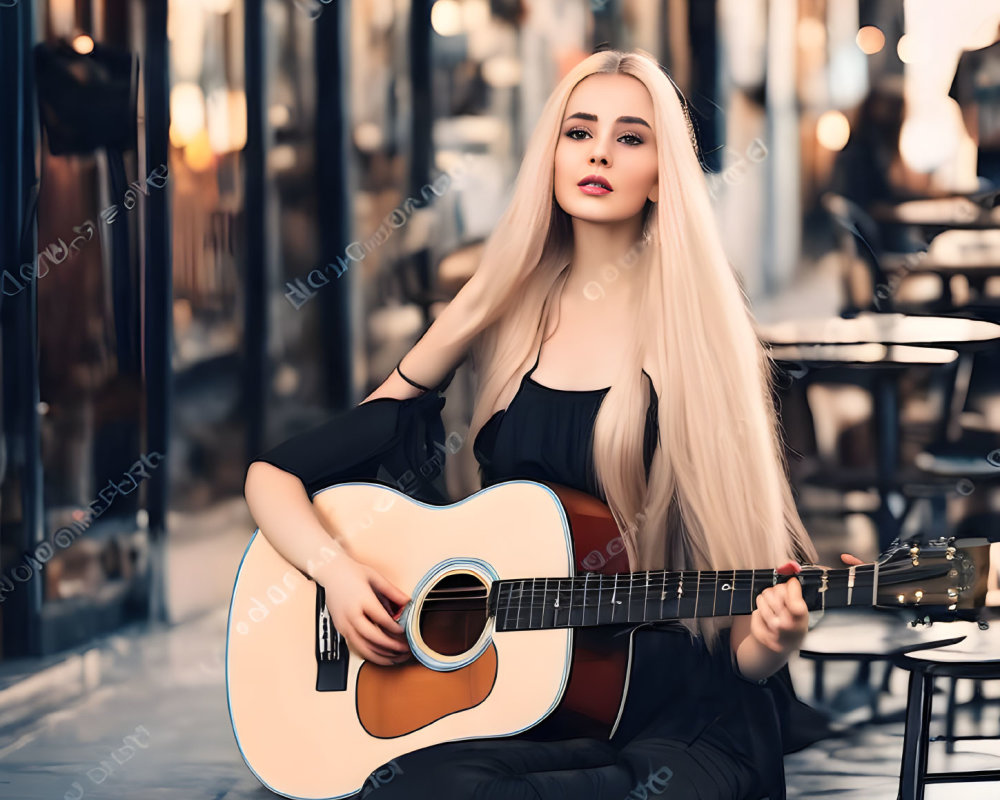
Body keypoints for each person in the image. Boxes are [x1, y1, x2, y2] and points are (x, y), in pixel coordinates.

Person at [244, 48, 851, 800]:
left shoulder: (699, 334)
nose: (599, 151)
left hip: (673, 720)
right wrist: (335, 571)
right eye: (578, 131)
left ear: (665, 172)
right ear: (551, 154)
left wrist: (777, 634)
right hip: (533, 704)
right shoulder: (495, 306)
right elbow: (274, 477)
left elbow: (737, 650)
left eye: (631, 137)